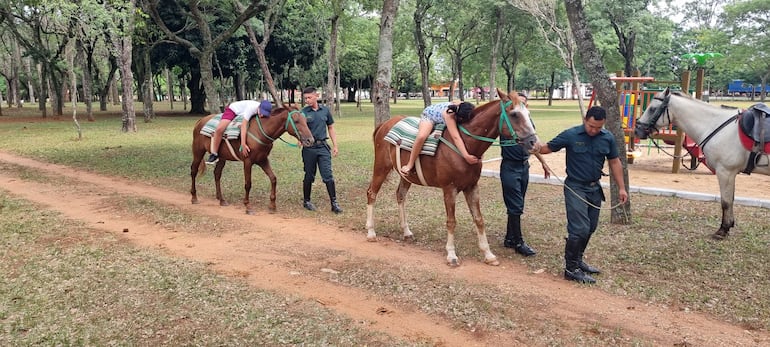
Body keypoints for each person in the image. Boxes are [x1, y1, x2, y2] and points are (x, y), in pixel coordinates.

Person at [537, 106, 628, 284]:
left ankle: (578, 261)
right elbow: (547, 148)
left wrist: (622, 188)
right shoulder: (571, 135)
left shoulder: (607, 137)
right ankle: (570, 269)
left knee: (591, 227)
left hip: (594, 188)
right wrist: (534, 146)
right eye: (591, 126)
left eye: (598, 127)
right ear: (585, 120)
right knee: (579, 228)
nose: (594, 130)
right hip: (575, 187)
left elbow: (615, 162)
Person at [499, 92, 548, 256]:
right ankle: (518, 242)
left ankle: (509, 238)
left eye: (524, 103)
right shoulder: (508, 122)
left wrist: (543, 163)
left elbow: (533, 146)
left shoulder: (526, 123)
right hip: (509, 167)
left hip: (524, 166)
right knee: (516, 205)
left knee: (517, 205)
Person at [400, 100, 480, 174]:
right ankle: (410, 164)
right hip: (429, 116)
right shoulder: (449, 115)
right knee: (421, 136)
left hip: (445, 113)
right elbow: (455, 137)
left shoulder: (465, 106)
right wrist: (466, 156)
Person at [300, 87, 342, 214]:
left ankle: (334, 203)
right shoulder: (303, 113)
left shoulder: (325, 111)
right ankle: (306, 201)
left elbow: (331, 128)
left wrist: (335, 145)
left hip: (323, 147)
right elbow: (299, 129)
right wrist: (300, 139)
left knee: (328, 175)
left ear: (316, 96)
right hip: (309, 149)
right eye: (305, 98)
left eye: (309, 97)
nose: (307, 100)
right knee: (309, 175)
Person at [207, 99, 273, 164]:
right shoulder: (252, 108)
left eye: (264, 114)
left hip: (242, 112)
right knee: (219, 129)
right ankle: (214, 153)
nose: (262, 115)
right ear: (259, 107)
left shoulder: (260, 112)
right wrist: (243, 144)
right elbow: (243, 126)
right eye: (261, 112)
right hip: (233, 110)